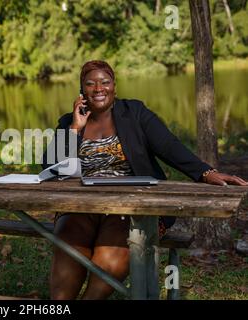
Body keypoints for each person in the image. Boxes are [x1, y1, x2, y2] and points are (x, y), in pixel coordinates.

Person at [42, 60, 248, 300]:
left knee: (112, 255)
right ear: (82, 91)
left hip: (131, 206)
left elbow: (169, 146)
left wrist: (206, 172)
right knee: (68, 246)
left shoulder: (135, 113)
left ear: (114, 87)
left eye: (105, 82)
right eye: (90, 84)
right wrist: (75, 129)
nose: (99, 88)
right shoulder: (68, 122)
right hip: (81, 207)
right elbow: (50, 168)